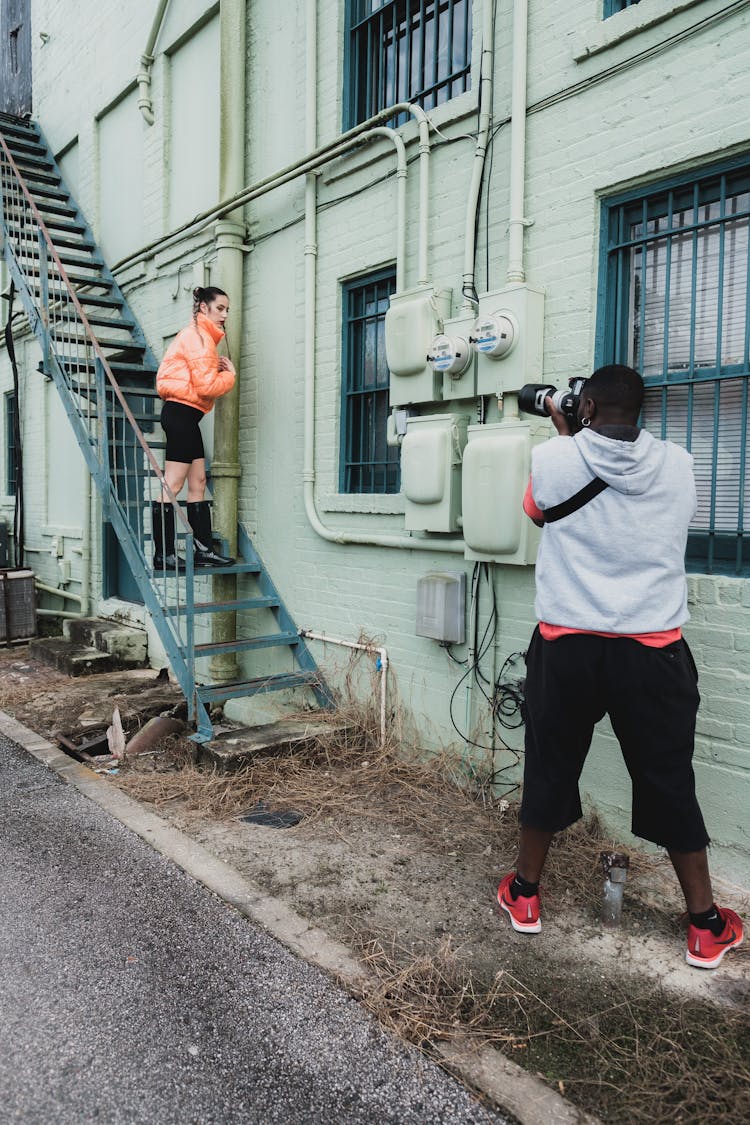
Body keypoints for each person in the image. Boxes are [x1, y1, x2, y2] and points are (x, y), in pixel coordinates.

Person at [497, 364, 744, 969]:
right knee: (670, 779)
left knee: (550, 766)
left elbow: (537, 512)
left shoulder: (555, 459)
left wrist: (567, 439)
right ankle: (706, 925)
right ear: (641, 411)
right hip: (653, 650)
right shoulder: (681, 464)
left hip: (568, 645)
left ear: (585, 408)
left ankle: (525, 895)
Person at [152, 285, 236, 570]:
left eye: (227, 309)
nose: (225, 314)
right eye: (220, 308)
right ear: (204, 308)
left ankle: (202, 551)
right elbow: (206, 386)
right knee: (172, 484)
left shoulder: (203, 339)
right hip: (180, 415)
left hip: (188, 417)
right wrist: (230, 377)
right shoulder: (198, 338)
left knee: (198, 483)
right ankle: (163, 554)